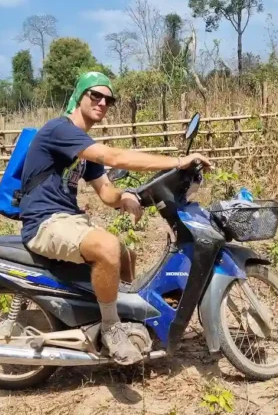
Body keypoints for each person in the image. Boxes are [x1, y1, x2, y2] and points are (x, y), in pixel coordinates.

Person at [18, 72, 212, 365]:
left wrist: (124, 197)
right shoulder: (60, 130)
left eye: (108, 99)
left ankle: (122, 318)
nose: (102, 103)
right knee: (108, 247)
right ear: (78, 96)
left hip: (67, 219)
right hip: (45, 221)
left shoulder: (82, 146)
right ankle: (111, 328)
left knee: (126, 254)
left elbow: (106, 190)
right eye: (94, 95)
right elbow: (115, 157)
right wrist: (177, 162)